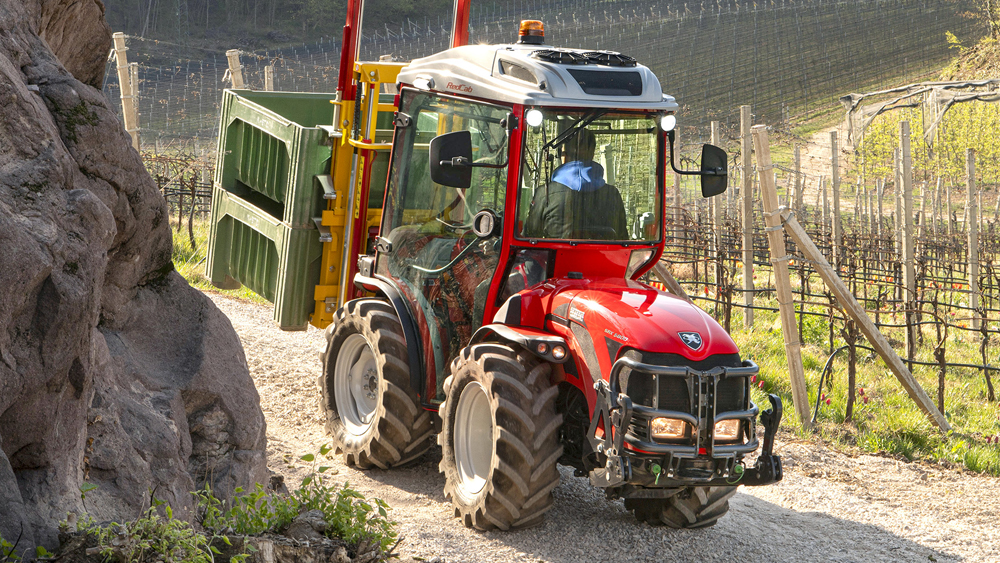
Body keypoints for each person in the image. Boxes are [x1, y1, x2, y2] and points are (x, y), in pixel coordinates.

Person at [523, 128, 627, 240]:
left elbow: (530, 236)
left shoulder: (545, 193)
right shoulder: (612, 194)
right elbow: (622, 238)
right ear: (592, 153)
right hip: (605, 257)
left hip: (556, 257)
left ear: (564, 156)